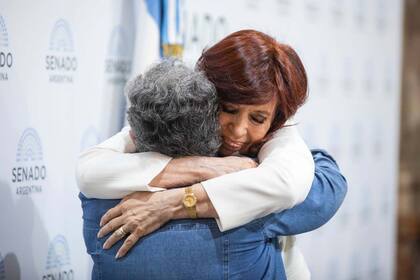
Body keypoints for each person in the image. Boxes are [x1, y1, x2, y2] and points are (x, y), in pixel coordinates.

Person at [77, 30, 347, 279]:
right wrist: (204, 167)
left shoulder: (280, 137)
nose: (239, 131)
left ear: (276, 120)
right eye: (229, 109)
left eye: (258, 118)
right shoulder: (172, 124)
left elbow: (293, 185)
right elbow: (89, 170)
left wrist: (170, 203)